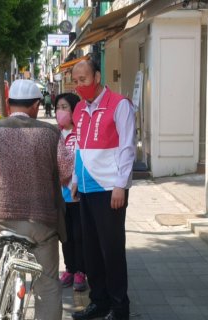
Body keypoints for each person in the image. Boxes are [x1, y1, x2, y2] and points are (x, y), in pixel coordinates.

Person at [0, 79, 73, 320]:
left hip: (3, 217)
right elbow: (66, 171)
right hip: (42, 223)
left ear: (8, 103)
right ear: (37, 106)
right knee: (48, 285)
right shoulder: (52, 133)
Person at [70, 60, 136, 320]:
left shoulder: (119, 105)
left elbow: (128, 148)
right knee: (91, 251)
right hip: (86, 188)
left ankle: (120, 307)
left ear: (97, 76)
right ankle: (99, 301)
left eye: (83, 79)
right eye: (75, 81)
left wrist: (121, 185)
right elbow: (78, 148)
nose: (79, 86)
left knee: (112, 250)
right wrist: (75, 179)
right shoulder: (78, 109)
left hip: (110, 189)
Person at [55, 93, 88, 292]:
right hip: (61, 196)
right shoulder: (56, 134)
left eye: (65, 107)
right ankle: (69, 268)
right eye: (58, 106)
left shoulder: (81, 133)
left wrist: (72, 181)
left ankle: (81, 271)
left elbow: (82, 161)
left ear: (74, 110)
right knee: (65, 236)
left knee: (79, 235)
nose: (60, 111)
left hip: (77, 193)